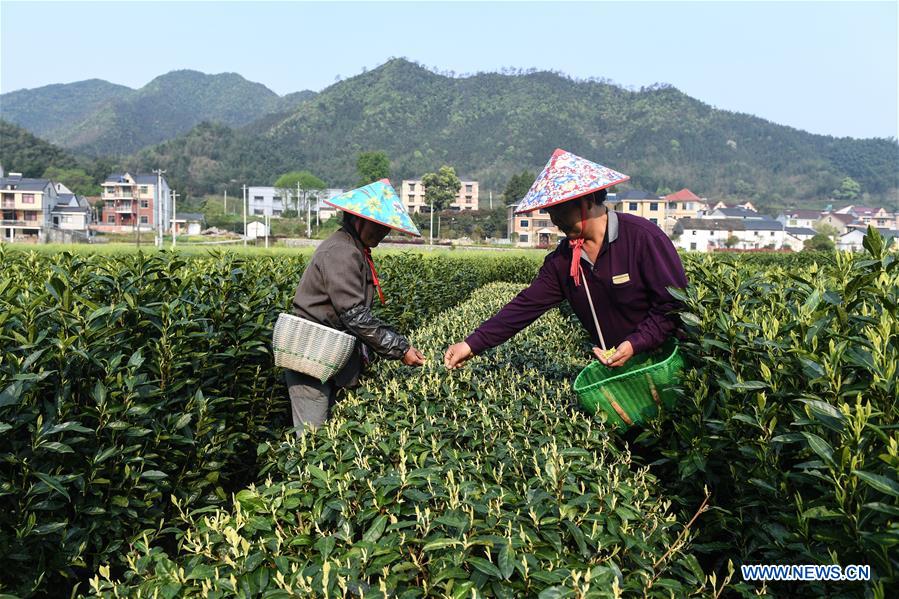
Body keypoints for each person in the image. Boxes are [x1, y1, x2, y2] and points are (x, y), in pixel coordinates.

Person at [444, 149, 687, 370]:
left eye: (560, 210)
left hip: (664, 363)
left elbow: (674, 304)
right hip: (620, 372)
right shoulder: (563, 260)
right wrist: (471, 344)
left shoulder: (641, 238)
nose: (555, 220)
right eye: (551, 212)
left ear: (588, 201)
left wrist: (635, 343)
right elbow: (526, 305)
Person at [287, 179, 426, 430]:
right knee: (312, 436)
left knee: (329, 432)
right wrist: (399, 347)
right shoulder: (342, 251)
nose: (384, 234)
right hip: (313, 353)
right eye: (379, 227)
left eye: (387, 228)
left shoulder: (353, 248)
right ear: (358, 220)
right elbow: (354, 315)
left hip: (328, 352)